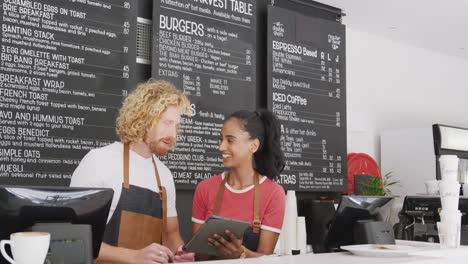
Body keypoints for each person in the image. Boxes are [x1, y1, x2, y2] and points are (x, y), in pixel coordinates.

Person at [71, 80, 195, 263]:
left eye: (176, 126)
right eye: (167, 123)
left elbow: (171, 235)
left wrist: (180, 253)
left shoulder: (164, 175)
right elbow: (75, 238)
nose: (173, 135)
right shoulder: (98, 161)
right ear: (143, 118)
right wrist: (134, 257)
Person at [191, 109, 286, 260]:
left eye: (230, 140)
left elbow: (265, 258)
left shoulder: (273, 193)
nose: (221, 147)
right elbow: (198, 256)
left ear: (253, 146)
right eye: (221, 139)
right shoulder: (205, 188)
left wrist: (241, 254)